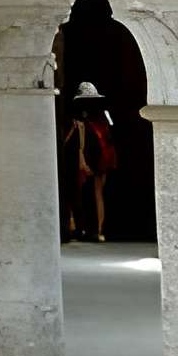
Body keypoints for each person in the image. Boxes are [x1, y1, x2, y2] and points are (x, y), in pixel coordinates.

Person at [62, 81, 117, 245]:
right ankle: (95, 229)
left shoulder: (83, 119)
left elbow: (81, 144)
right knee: (94, 194)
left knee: (89, 193)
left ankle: (91, 229)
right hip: (100, 157)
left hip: (95, 158)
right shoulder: (99, 116)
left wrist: (84, 162)